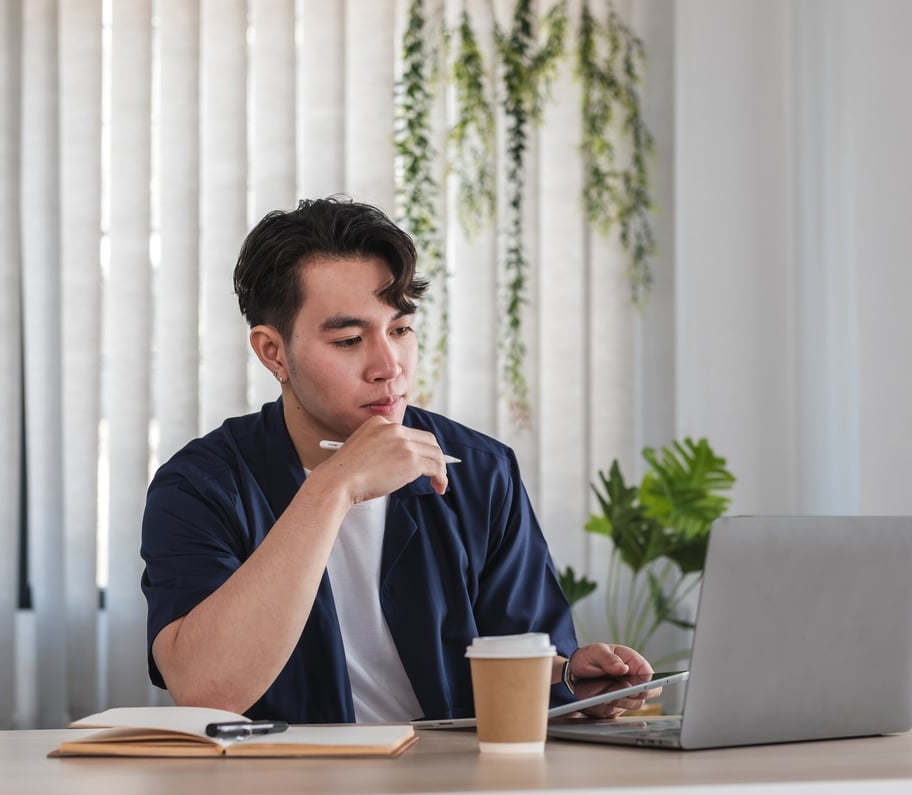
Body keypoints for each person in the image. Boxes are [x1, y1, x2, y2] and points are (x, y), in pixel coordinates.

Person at [140, 196, 660, 723]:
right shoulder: (198, 487)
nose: (389, 367)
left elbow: (522, 665)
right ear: (274, 352)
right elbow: (206, 689)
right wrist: (333, 486)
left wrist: (572, 678)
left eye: (400, 330)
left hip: (453, 781)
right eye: (348, 339)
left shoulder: (480, 471)